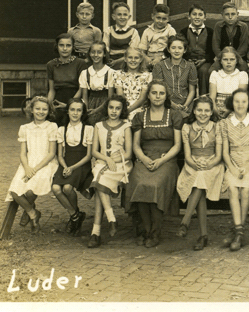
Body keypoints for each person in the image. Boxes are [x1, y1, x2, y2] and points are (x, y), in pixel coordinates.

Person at [127, 80, 183, 248]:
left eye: (161, 93)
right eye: (154, 93)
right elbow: (136, 145)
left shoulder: (174, 115)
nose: (157, 96)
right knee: (140, 182)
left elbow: (177, 145)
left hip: (167, 159)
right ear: (148, 95)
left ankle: (155, 231)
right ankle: (146, 228)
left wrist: (161, 160)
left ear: (166, 96)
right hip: (145, 158)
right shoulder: (140, 116)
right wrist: (144, 159)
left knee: (156, 184)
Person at [176, 96, 225, 251]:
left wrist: (207, 164)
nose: (203, 113)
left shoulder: (217, 127)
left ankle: (186, 221)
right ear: (194, 111)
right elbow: (188, 155)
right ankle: (203, 235)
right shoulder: (187, 128)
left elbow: (218, 156)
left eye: (206, 110)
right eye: (199, 110)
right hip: (193, 165)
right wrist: (195, 164)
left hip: (213, 165)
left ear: (211, 112)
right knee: (199, 186)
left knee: (201, 179)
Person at [219, 89, 249, 251]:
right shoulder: (225, 123)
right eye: (237, 101)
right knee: (232, 188)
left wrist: (246, 167)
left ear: (248, 103)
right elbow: (225, 151)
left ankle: (238, 230)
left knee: (245, 189)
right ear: (232, 103)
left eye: (243, 101)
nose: (240, 105)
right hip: (233, 163)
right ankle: (239, 231)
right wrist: (232, 167)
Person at [5, 96, 58, 234]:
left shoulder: (52, 127)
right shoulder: (24, 128)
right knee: (15, 191)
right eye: (37, 108)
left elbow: (51, 153)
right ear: (32, 110)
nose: (41, 111)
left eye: (44, 109)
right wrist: (27, 168)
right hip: (28, 163)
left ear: (49, 111)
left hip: (45, 163)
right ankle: (33, 213)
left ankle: (29, 212)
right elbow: (23, 153)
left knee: (29, 190)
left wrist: (35, 170)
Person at [88, 95, 133, 248]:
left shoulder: (126, 126)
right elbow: (94, 151)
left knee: (99, 182)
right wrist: (107, 159)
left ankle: (97, 231)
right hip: (102, 162)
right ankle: (111, 220)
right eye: (111, 107)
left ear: (122, 110)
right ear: (106, 108)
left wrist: (116, 160)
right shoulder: (99, 125)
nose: (114, 111)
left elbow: (129, 153)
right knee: (100, 178)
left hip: (121, 165)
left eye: (118, 108)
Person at [52, 98, 93, 236]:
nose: (75, 113)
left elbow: (88, 156)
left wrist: (72, 168)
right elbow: (59, 155)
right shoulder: (62, 130)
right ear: (67, 111)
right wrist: (64, 167)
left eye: (79, 110)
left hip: (81, 164)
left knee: (68, 188)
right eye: (72, 110)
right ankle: (75, 215)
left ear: (83, 113)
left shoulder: (88, 129)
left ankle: (74, 217)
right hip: (66, 163)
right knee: (56, 188)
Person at [152, 35, 197, 118]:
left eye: (180, 48)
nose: (176, 51)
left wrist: (185, 105)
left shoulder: (190, 66)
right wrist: (173, 105)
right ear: (168, 49)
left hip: (186, 103)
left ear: (185, 50)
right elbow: (159, 90)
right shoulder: (159, 66)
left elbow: (192, 91)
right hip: (166, 102)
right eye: (173, 48)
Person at [46, 33, 88, 124]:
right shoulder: (51, 65)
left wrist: (69, 105)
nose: (65, 48)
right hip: (57, 101)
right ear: (57, 46)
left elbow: (82, 88)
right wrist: (48, 106)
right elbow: (52, 90)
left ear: (73, 47)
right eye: (61, 45)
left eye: (68, 45)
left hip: (75, 99)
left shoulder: (80, 63)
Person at [178, 4, 214, 96]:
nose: (197, 17)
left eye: (200, 14)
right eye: (194, 14)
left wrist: (205, 59)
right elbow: (181, 47)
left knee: (204, 71)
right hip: (188, 60)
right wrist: (188, 59)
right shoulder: (183, 32)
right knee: (187, 70)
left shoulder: (210, 32)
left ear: (205, 18)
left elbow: (212, 50)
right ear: (189, 16)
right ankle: (188, 98)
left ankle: (203, 97)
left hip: (205, 61)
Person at [77, 42, 115, 125]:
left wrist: (96, 111)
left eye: (99, 52)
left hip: (105, 105)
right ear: (89, 54)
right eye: (93, 52)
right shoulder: (85, 73)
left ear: (104, 54)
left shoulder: (110, 73)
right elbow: (85, 97)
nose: (96, 55)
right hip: (90, 104)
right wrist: (86, 111)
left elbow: (110, 97)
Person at [209, 47, 249, 119]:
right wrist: (215, 110)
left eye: (232, 59)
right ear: (220, 61)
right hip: (217, 107)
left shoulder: (242, 75)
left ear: (236, 60)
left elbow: (240, 96)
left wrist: (229, 110)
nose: (229, 62)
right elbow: (212, 97)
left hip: (235, 106)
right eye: (225, 59)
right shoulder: (215, 74)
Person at [113, 47, 152, 120]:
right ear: (125, 59)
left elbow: (142, 98)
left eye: (136, 58)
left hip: (140, 109)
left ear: (140, 59)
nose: (133, 60)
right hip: (123, 107)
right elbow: (120, 95)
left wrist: (129, 111)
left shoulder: (147, 76)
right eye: (130, 57)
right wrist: (124, 110)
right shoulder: (118, 74)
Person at [211, 2, 249, 73]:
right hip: (222, 58)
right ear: (222, 15)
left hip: (239, 58)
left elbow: (243, 47)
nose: (230, 17)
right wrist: (222, 58)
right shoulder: (218, 26)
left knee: (245, 71)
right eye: (227, 14)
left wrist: (234, 59)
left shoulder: (243, 26)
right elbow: (215, 45)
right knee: (211, 71)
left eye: (233, 14)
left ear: (237, 14)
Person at [103, 2, 140, 67]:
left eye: (125, 15)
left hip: (128, 64)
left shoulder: (133, 32)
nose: (122, 17)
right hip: (111, 63)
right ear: (114, 17)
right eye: (119, 14)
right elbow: (106, 49)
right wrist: (109, 61)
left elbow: (132, 51)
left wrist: (117, 62)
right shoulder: (109, 30)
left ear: (129, 17)